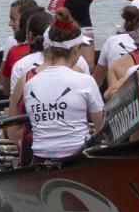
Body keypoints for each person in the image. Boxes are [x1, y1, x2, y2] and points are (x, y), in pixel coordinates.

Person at [8, 13, 105, 162]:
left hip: (39, 161)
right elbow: (101, 130)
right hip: (78, 160)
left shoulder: (29, 83)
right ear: (74, 51)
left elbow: (16, 131)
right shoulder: (86, 81)